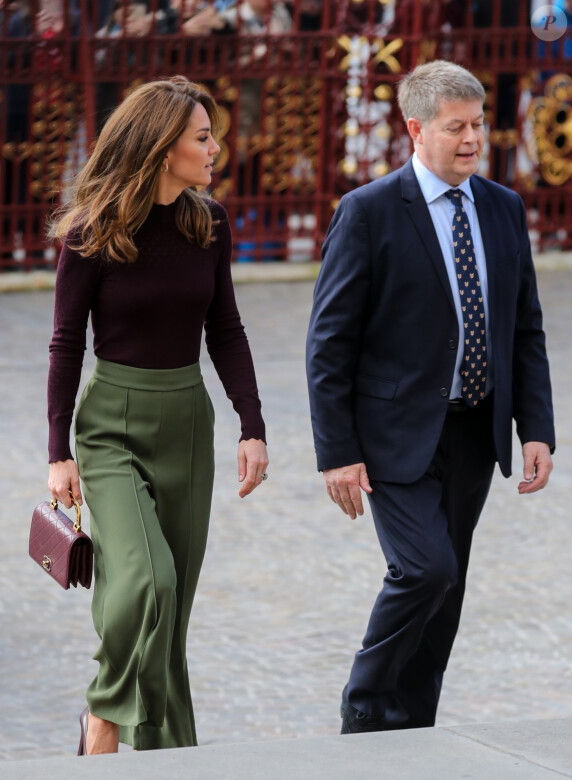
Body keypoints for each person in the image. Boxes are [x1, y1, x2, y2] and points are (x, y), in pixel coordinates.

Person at [305, 60, 555, 734]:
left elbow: (523, 326)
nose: (473, 139)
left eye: (478, 125)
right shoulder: (368, 212)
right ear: (416, 130)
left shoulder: (503, 207)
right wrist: (337, 453)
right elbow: (328, 344)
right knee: (425, 569)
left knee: (449, 588)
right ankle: (364, 703)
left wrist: (536, 429)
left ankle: (412, 726)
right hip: (394, 433)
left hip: (475, 430)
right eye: (456, 127)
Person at [47, 76, 269, 754]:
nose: (215, 147)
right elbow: (64, 341)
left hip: (187, 426)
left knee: (171, 614)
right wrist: (58, 453)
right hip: (111, 425)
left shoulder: (210, 223)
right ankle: (103, 717)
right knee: (148, 579)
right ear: (161, 147)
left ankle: (163, 756)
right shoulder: (93, 229)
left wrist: (251, 425)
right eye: (202, 137)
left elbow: (225, 328)